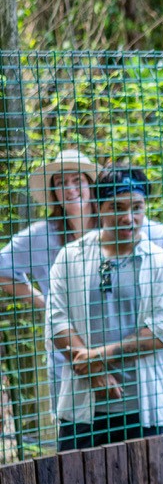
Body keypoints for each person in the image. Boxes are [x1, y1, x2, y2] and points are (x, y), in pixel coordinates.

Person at [46, 164, 163, 451]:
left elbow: (161, 333)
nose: (128, 217)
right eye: (116, 207)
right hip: (84, 405)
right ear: (98, 207)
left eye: (136, 207)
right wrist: (94, 371)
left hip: (144, 406)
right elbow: (57, 322)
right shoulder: (70, 257)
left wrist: (97, 356)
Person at [0, 149, 97, 415]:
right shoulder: (42, 235)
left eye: (78, 180)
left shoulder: (111, 225)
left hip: (111, 344)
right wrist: (44, 302)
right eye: (61, 183)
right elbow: (2, 266)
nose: (70, 188)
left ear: (91, 184)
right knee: (73, 428)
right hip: (65, 353)